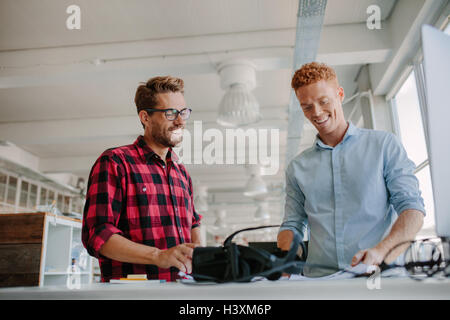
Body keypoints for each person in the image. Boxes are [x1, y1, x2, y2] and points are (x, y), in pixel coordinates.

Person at [277, 62, 425, 277]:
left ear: (340, 94)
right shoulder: (297, 168)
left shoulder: (383, 145)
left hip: (379, 277)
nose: (316, 113)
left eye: (323, 101)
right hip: (320, 282)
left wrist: (381, 252)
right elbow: (293, 223)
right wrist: (284, 261)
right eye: (307, 106)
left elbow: (412, 210)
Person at [82, 76, 202, 282]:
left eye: (183, 112)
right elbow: (98, 234)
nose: (181, 121)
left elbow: (193, 223)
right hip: (131, 293)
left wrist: (200, 254)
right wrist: (158, 256)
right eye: (171, 113)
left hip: (183, 289)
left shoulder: (181, 173)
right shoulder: (115, 162)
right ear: (146, 117)